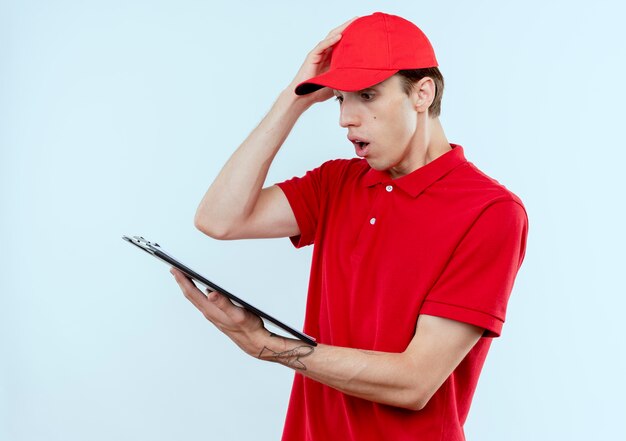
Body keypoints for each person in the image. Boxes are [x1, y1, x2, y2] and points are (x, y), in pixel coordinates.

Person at [170, 12, 528, 441]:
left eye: (367, 96)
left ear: (422, 93)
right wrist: (293, 99)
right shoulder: (338, 182)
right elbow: (219, 220)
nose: (346, 118)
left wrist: (269, 346)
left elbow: (414, 382)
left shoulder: (490, 211)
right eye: (340, 98)